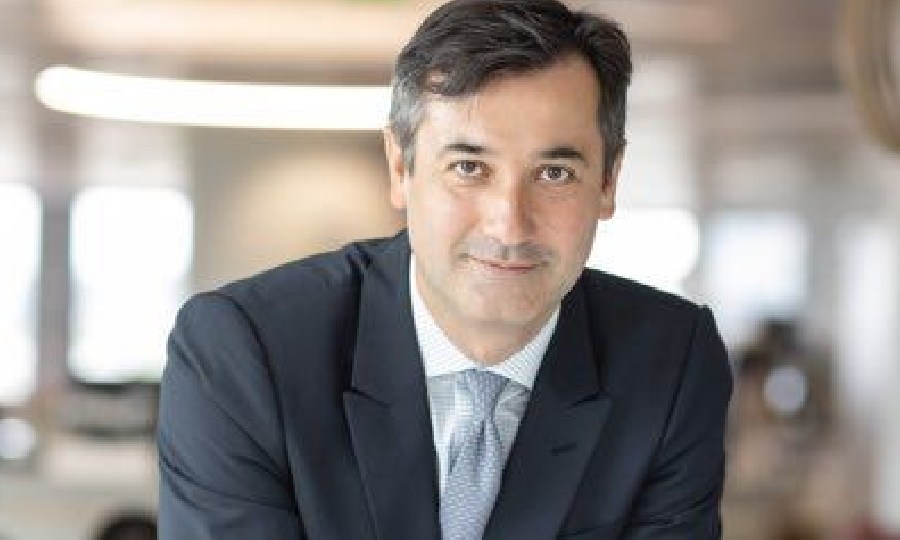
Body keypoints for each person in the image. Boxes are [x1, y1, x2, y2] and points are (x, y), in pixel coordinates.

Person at [157, 1, 733, 538]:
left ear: (608, 181)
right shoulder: (244, 353)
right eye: (469, 167)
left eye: (554, 174)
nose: (509, 226)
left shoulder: (670, 363)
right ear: (400, 167)